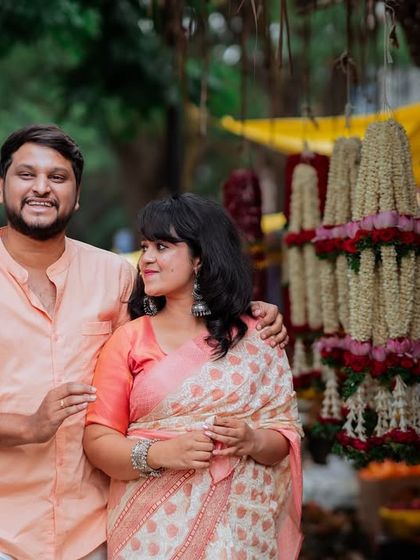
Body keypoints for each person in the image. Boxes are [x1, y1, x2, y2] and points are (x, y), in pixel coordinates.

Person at [0, 124, 289, 560]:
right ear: (2, 186)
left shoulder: (114, 275)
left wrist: (252, 313)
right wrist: (27, 426)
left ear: (76, 196)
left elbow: (178, 345)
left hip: (93, 529)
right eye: (26, 174)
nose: (42, 188)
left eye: (57, 178)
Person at [83, 194, 303, 560]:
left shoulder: (256, 335)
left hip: (239, 534)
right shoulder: (129, 339)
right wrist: (162, 453)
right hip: (149, 533)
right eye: (145, 247)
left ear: (200, 258)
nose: (147, 259)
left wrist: (251, 440)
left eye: (163, 247)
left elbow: (285, 436)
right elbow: (98, 442)